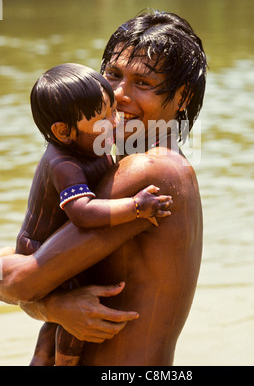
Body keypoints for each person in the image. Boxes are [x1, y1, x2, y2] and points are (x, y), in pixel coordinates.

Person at [0, 9, 207, 366]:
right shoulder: (159, 165)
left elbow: (19, 281)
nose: (119, 95)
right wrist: (55, 307)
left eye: (142, 83)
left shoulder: (147, 171)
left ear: (183, 96)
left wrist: (48, 303)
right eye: (112, 74)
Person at [14, 63, 173, 366]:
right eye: (103, 120)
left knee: (57, 320)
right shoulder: (64, 163)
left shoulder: (91, 146)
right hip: (40, 247)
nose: (114, 123)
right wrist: (136, 207)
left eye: (113, 111)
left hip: (59, 244)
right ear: (63, 131)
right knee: (78, 312)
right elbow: (83, 213)